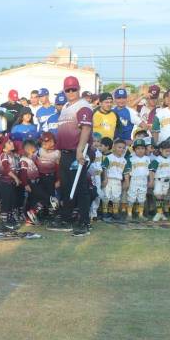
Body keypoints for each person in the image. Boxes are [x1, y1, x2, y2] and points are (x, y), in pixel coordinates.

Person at [47, 76, 94, 236]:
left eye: (74, 89)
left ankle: (84, 222)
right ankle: (67, 217)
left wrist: (80, 151)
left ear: (79, 89)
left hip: (78, 151)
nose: (71, 92)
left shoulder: (83, 106)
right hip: (66, 153)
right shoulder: (66, 106)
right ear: (64, 91)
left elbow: (86, 129)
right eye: (68, 90)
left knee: (80, 188)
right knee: (67, 187)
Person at [124, 138, 151, 222]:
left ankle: (140, 214)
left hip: (143, 180)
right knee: (131, 197)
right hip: (134, 180)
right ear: (134, 149)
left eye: (142, 148)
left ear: (145, 149)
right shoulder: (131, 159)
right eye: (138, 148)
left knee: (142, 198)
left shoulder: (147, 159)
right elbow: (127, 172)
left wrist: (150, 181)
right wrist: (127, 182)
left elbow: (150, 171)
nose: (140, 150)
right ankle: (129, 214)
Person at [101, 139, 128, 222]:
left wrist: (126, 182)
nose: (121, 149)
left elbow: (125, 173)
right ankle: (105, 213)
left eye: (123, 148)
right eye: (119, 147)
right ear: (114, 147)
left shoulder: (124, 160)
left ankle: (115, 213)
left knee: (116, 197)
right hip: (109, 179)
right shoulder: (109, 158)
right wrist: (105, 179)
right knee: (106, 196)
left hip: (118, 181)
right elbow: (104, 168)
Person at [150, 138, 170, 221]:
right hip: (159, 180)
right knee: (158, 196)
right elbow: (152, 171)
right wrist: (151, 181)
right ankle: (159, 213)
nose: (168, 153)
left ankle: (160, 213)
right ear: (161, 150)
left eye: (169, 151)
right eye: (166, 151)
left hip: (167, 181)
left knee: (163, 197)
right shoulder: (157, 160)